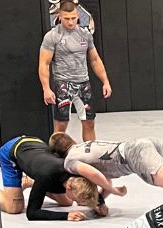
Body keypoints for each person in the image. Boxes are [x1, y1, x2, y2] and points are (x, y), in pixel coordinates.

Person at [51, 134, 163, 196]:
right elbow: (102, 174)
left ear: (57, 155)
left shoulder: (69, 161)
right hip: (144, 142)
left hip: (136, 155)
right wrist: (102, 198)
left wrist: (114, 191)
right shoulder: (83, 145)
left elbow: (94, 175)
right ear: (72, 141)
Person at [40, 1, 112, 141]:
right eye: (67, 18)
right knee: (61, 126)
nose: (71, 22)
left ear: (77, 15)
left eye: (73, 18)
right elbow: (44, 64)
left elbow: (95, 60)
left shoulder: (85, 35)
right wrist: (46, 89)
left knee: (89, 122)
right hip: (63, 84)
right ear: (59, 16)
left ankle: (89, 152)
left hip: (83, 83)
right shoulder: (52, 36)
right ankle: (56, 154)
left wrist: (106, 82)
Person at [0, 134, 103, 221]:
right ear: (69, 187)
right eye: (77, 200)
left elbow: (89, 184)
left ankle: (31, 182)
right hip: (11, 151)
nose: (78, 203)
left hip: (37, 144)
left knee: (66, 202)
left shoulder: (75, 172)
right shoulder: (45, 176)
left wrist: (99, 203)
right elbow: (32, 213)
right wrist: (66, 216)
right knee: (14, 207)